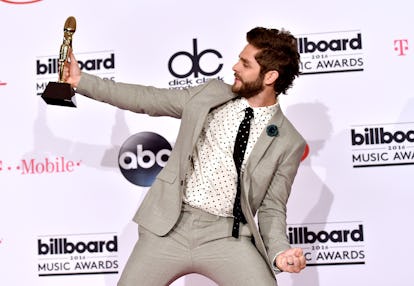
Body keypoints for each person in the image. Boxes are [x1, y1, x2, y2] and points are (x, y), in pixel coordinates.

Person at [63, 27, 307, 286]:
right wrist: (81, 80)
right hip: (169, 227)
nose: (234, 66)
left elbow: (272, 207)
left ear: (269, 76)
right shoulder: (211, 94)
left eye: (245, 64)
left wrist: (280, 252)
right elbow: (148, 98)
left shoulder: (288, 142)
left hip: (228, 237)